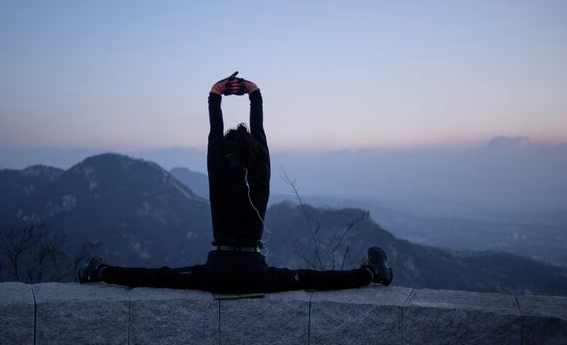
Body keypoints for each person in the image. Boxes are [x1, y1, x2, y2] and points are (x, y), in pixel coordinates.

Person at [77, 72, 393, 293]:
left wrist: (218, 92)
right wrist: (253, 92)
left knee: (160, 277)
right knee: (310, 278)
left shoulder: (217, 169)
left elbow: (216, 132)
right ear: (257, 153)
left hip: (218, 270)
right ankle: (371, 273)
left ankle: (100, 272)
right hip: (255, 272)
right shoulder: (260, 172)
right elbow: (259, 131)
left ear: (224, 152)